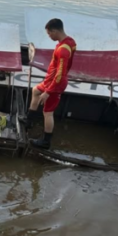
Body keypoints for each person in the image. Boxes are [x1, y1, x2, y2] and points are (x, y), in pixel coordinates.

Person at [24, 18, 76, 149]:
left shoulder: (63, 50)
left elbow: (60, 74)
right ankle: (29, 120)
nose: (49, 36)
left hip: (55, 83)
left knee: (48, 112)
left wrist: (48, 91)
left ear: (55, 31)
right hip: (49, 80)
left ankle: (46, 141)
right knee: (35, 90)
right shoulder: (70, 41)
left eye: (49, 33)